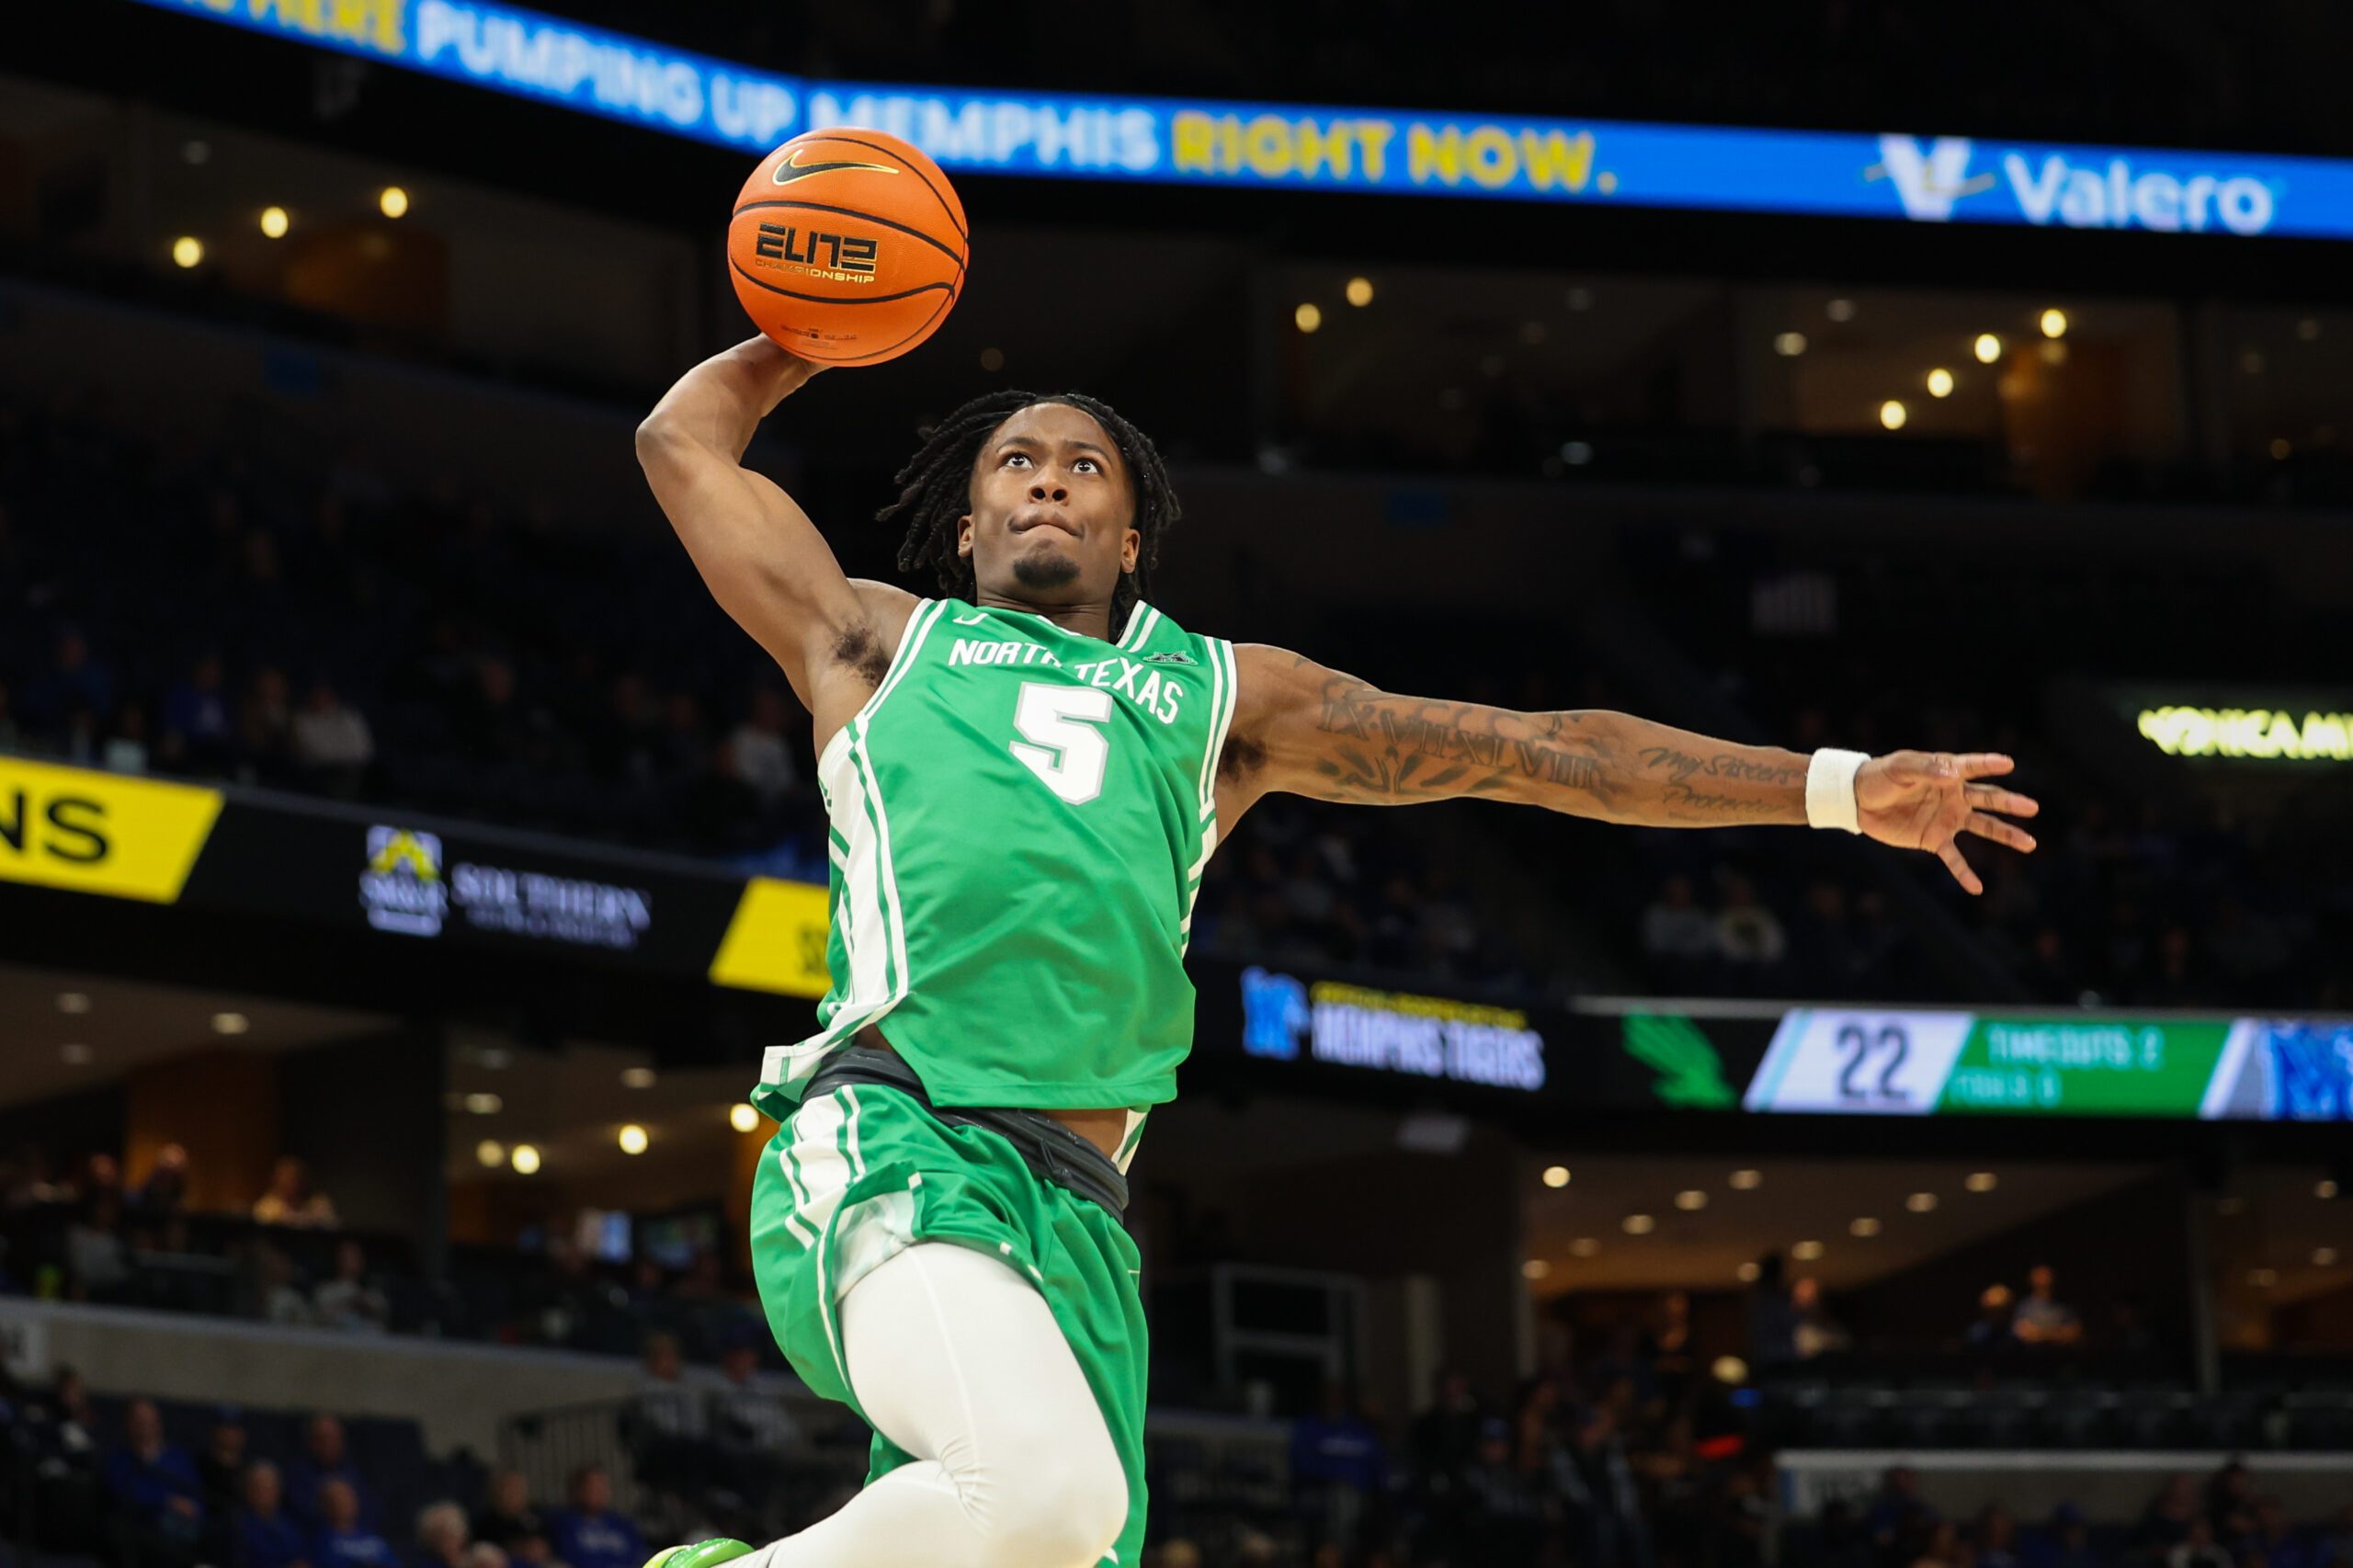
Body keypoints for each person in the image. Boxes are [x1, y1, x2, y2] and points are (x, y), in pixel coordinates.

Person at [630, 335, 2040, 1568]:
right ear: (969, 522)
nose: (1044, 477)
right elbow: (681, 442)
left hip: (1077, 1215)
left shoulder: (1221, 695)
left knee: (1033, 1528)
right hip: (896, 1131)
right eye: (1012, 461)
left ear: (1133, 540)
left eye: (1083, 465)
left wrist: (1835, 784)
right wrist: (807, 337)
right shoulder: (875, 641)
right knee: (1045, 1496)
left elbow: (1549, 755)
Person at [104, 1399, 205, 1568]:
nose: (146, 1427)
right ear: (129, 1425)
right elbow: (125, 1494)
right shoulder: (119, 1460)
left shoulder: (178, 1458)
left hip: (184, 1530)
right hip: (144, 1531)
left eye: (151, 1421)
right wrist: (167, 1500)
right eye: (140, 1421)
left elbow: (196, 1496)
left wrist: (194, 1510)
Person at [546, 1465, 646, 1568]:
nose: (598, 1492)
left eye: (602, 1487)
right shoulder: (562, 1523)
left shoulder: (623, 1524)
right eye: (592, 1487)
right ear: (577, 1490)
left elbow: (639, 1555)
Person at [233, 1461, 311, 1568]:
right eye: (257, 1489)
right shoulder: (237, 1527)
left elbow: (302, 1558)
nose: (263, 1495)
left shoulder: (291, 1526)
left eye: (268, 1489)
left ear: (278, 1491)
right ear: (247, 1491)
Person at [312, 1478, 397, 1568]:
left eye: (348, 1496)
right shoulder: (323, 1542)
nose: (346, 1502)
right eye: (338, 1498)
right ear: (326, 1506)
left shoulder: (375, 1540)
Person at [313, 1241, 392, 1334]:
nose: (355, 1262)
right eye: (350, 1258)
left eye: (358, 1258)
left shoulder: (371, 1291)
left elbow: (383, 1313)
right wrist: (347, 1304)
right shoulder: (326, 1290)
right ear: (339, 1260)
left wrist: (364, 1304)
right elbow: (320, 1316)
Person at [253, 1158, 338, 1228]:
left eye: (292, 1179)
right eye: (283, 1180)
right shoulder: (266, 1207)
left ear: (303, 1181)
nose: (288, 1185)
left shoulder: (319, 1205)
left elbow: (333, 1231)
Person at [2010, 1266, 2081, 1346]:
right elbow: (2021, 1333)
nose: (2044, 1280)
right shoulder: (2024, 1307)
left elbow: (2074, 1334)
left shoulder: (2064, 1308)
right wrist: (2058, 1333)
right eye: (2040, 1276)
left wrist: (2040, 1334)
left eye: (2046, 1275)